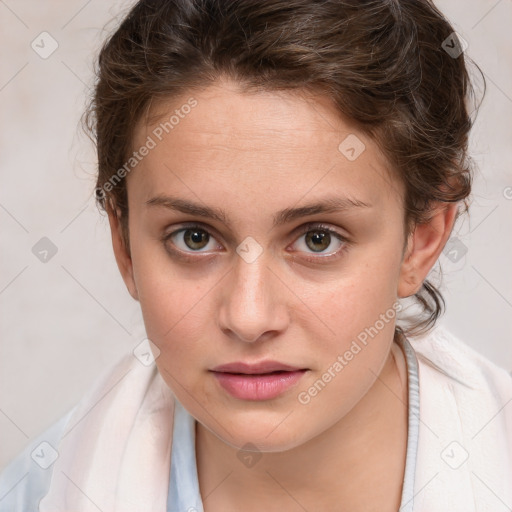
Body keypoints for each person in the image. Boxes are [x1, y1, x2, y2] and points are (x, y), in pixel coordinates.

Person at [1, 0, 511, 510]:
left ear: (420, 239)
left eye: (318, 239)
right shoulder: (39, 493)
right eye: (194, 238)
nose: (249, 318)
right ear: (125, 245)